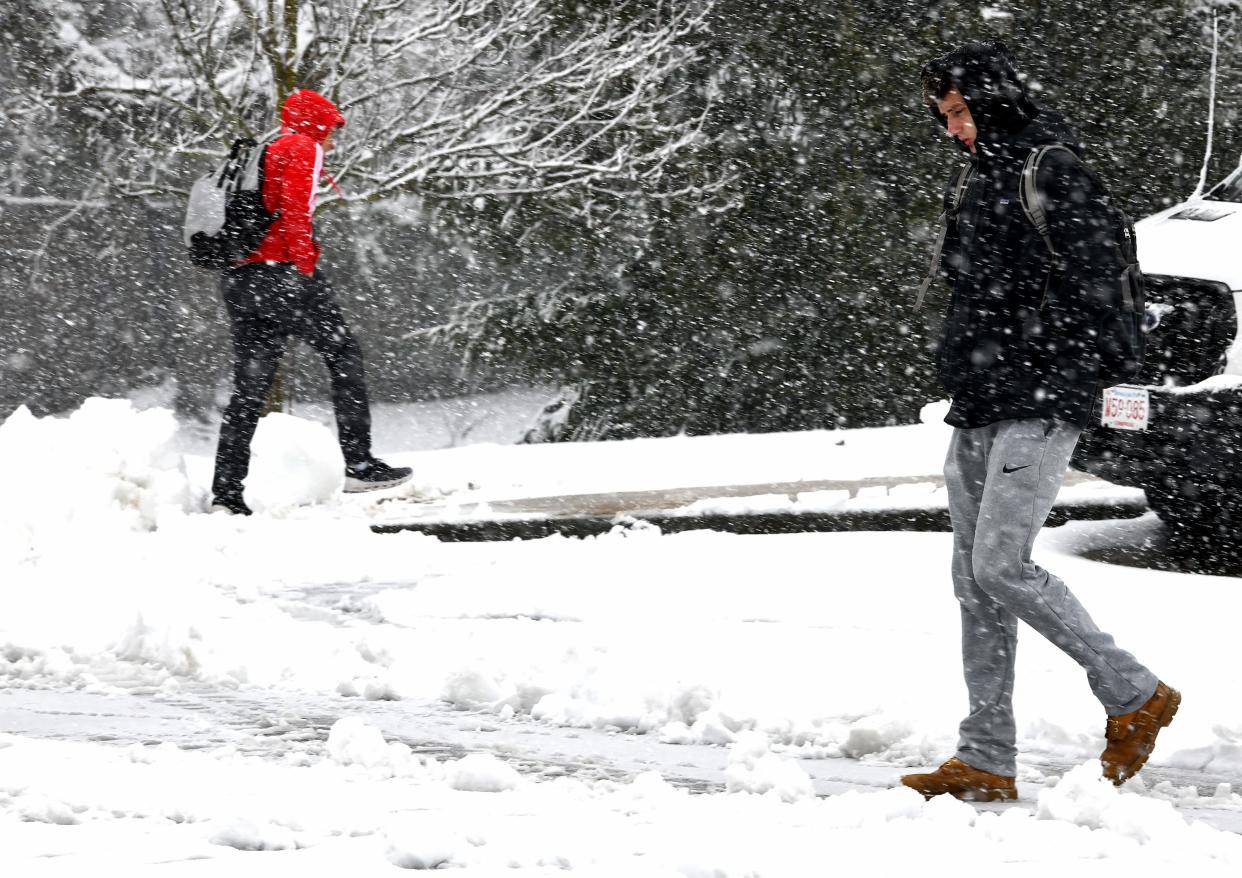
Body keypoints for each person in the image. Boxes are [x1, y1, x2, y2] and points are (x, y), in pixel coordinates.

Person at [901, 42, 1179, 802]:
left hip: (1040, 400)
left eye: (959, 111)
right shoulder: (982, 176)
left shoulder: (1051, 170)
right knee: (973, 583)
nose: (953, 128)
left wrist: (1054, 369)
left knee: (1001, 565)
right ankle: (985, 755)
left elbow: (1098, 293)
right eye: (943, 116)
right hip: (981, 401)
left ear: (989, 99)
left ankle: (1134, 692)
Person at [211, 89, 411, 515]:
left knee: (249, 389)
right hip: (281, 275)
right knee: (344, 354)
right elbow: (295, 211)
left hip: (240, 278)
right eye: (332, 129)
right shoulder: (302, 146)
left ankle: (226, 493)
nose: (334, 141)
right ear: (317, 123)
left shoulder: (264, 149)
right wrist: (304, 265)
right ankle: (358, 462)